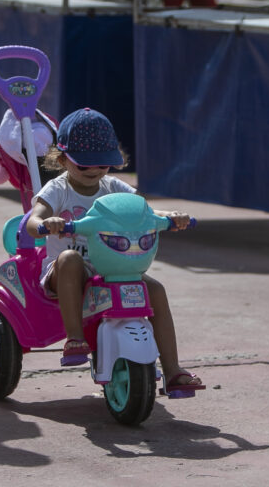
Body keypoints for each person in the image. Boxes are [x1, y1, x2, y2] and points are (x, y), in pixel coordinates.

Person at [25, 107, 203, 392]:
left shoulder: (113, 187)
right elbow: (33, 220)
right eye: (84, 165)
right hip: (68, 274)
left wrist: (170, 216)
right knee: (70, 258)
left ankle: (172, 371)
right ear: (62, 160)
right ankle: (75, 338)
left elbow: (145, 210)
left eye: (103, 164)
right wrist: (46, 223)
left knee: (156, 290)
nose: (94, 171)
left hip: (112, 269)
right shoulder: (58, 190)